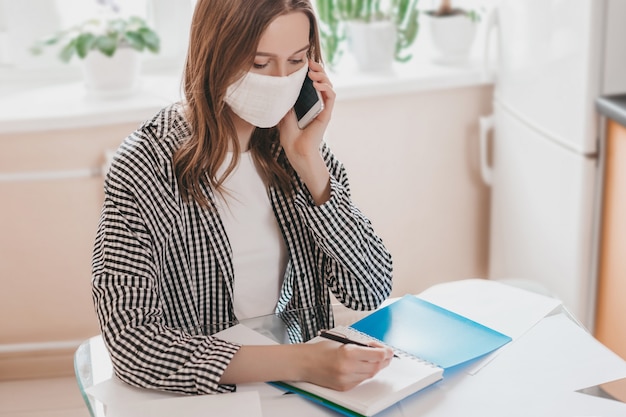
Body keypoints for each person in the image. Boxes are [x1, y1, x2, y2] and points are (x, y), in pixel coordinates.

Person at [91, 0, 394, 395]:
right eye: (259, 64)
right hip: (207, 395)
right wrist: (305, 361)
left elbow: (368, 288)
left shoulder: (300, 151)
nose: (281, 79)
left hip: (297, 390)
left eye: (296, 60)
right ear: (214, 56)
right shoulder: (145, 165)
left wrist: (309, 164)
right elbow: (133, 344)